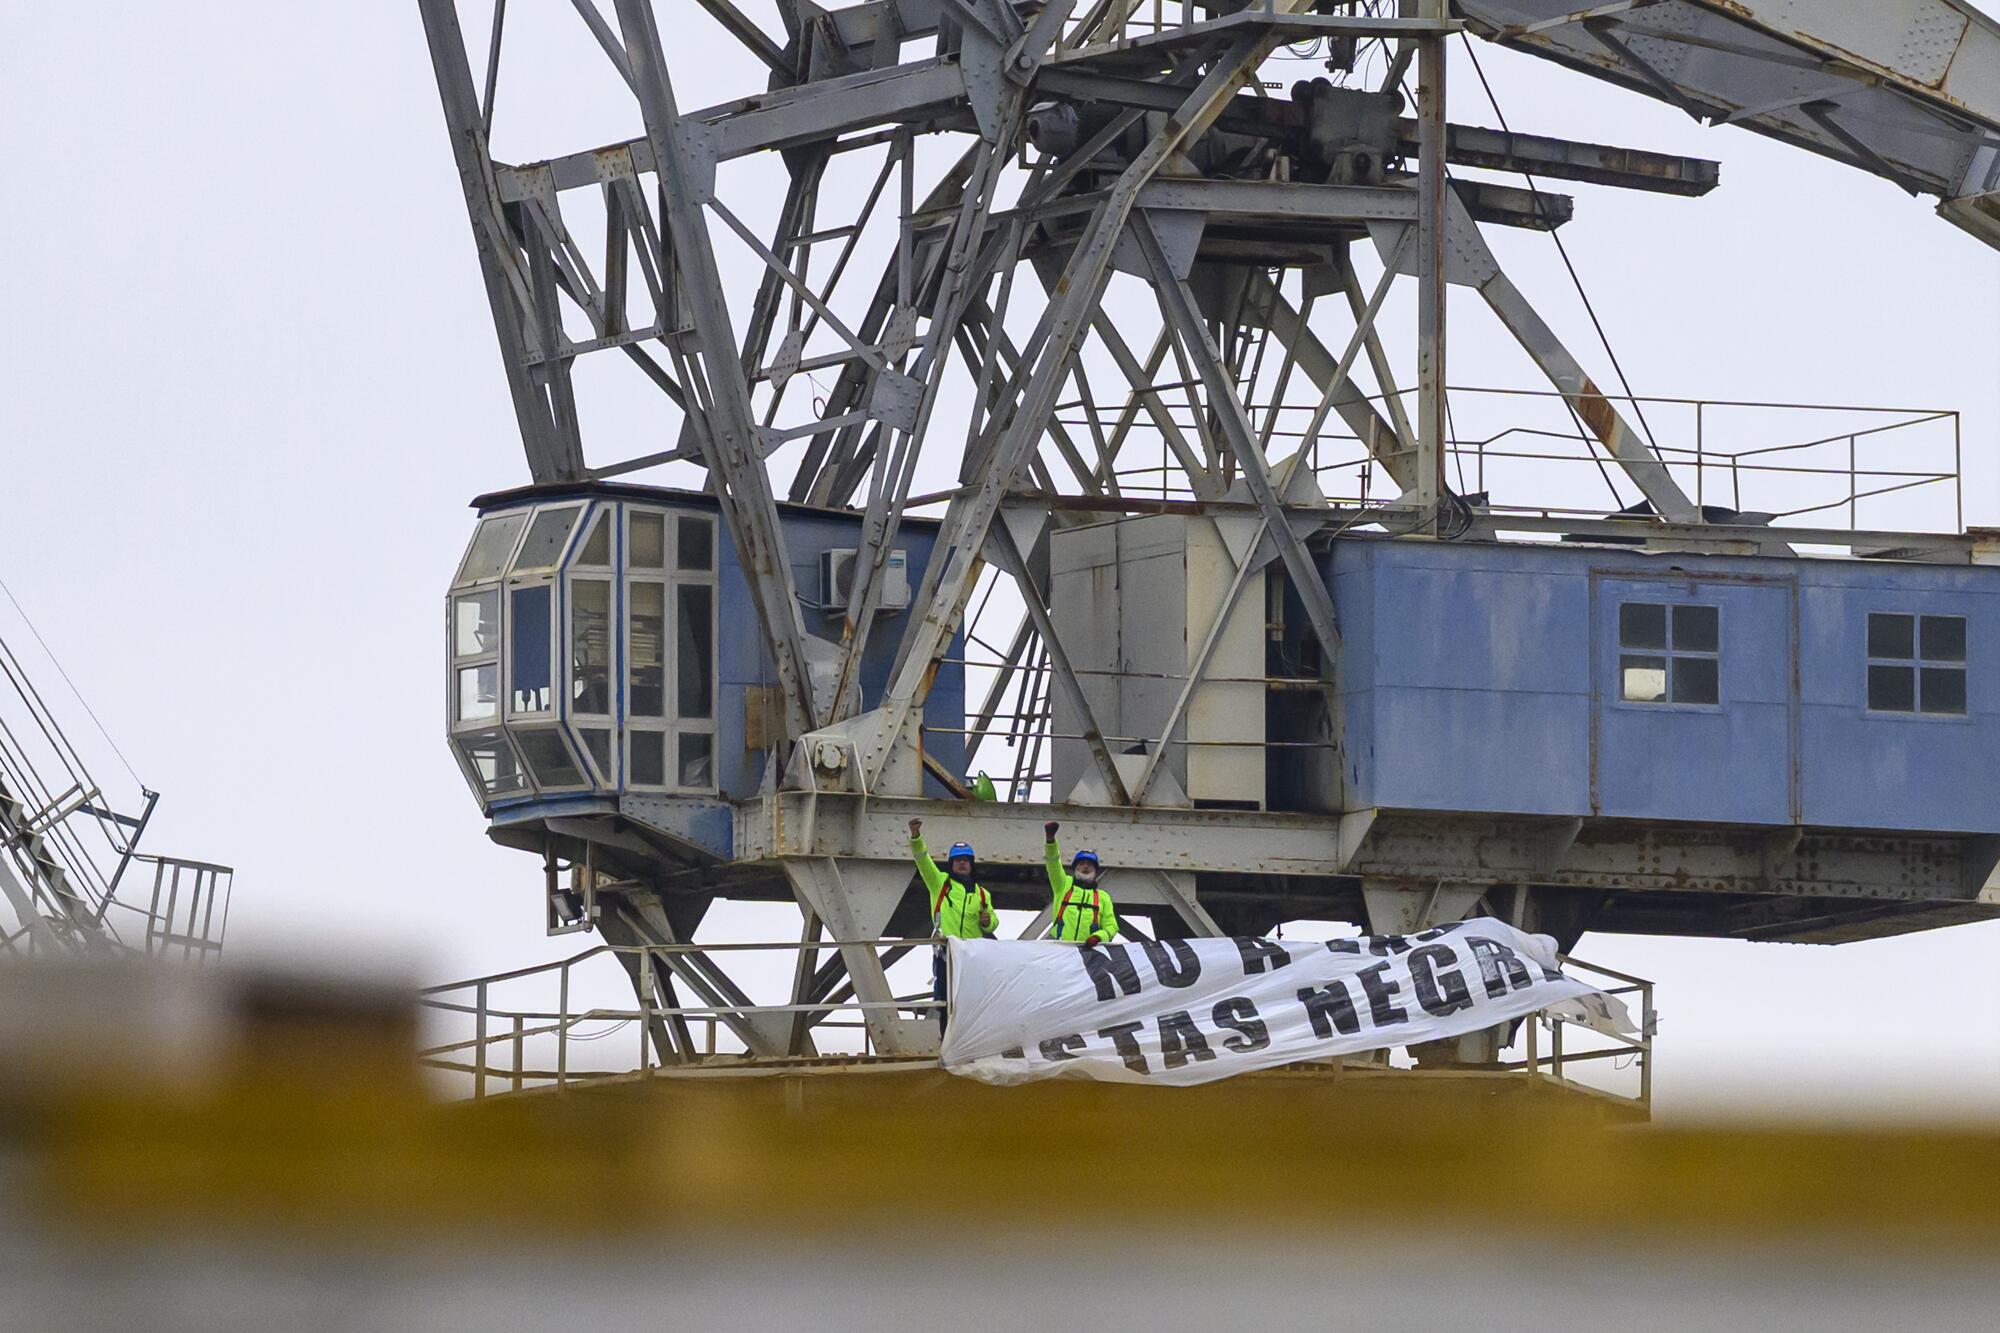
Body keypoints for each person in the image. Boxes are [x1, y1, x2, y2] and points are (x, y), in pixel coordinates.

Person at [908, 817, 998, 1031]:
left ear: (971, 864)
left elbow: (993, 923)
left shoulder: (982, 894)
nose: (962, 863)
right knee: (946, 1002)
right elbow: (922, 860)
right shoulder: (939, 883)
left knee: (973, 1002)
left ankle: (971, 1044)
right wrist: (916, 836)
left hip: (973, 956)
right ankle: (948, 1045)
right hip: (947, 954)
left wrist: (988, 922)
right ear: (952, 864)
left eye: (966, 859)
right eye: (958, 860)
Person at [1043, 820, 1117, 947]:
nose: (1085, 867)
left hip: (1088, 953)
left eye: (1089, 864)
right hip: (1060, 949)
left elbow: (1111, 926)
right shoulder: (1063, 885)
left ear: (1095, 871)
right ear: (1075, 868)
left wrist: (1098, 937)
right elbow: (1053, 863)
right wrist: (1051, 841)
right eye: (1081, 864)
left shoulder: (1103, 897)